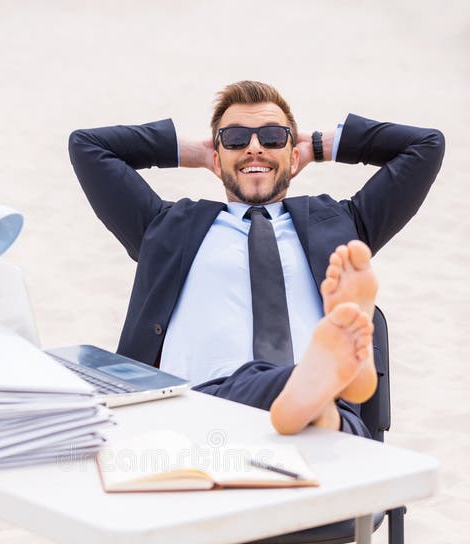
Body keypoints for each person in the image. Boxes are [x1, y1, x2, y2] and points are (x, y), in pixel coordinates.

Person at [68, 81, 444, 436]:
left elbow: (426, 146)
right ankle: (317, 381)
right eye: (234, 139)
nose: (254, 148)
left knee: (326, 412)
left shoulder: (342, 226)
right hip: (194, 410)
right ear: (216, 159)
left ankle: (315, 391)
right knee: (303, 389)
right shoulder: (165, 227)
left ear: (293, 154)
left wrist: (318, 145)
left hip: (323, 430)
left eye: (272, 137)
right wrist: (196, 153)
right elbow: (87, 147)